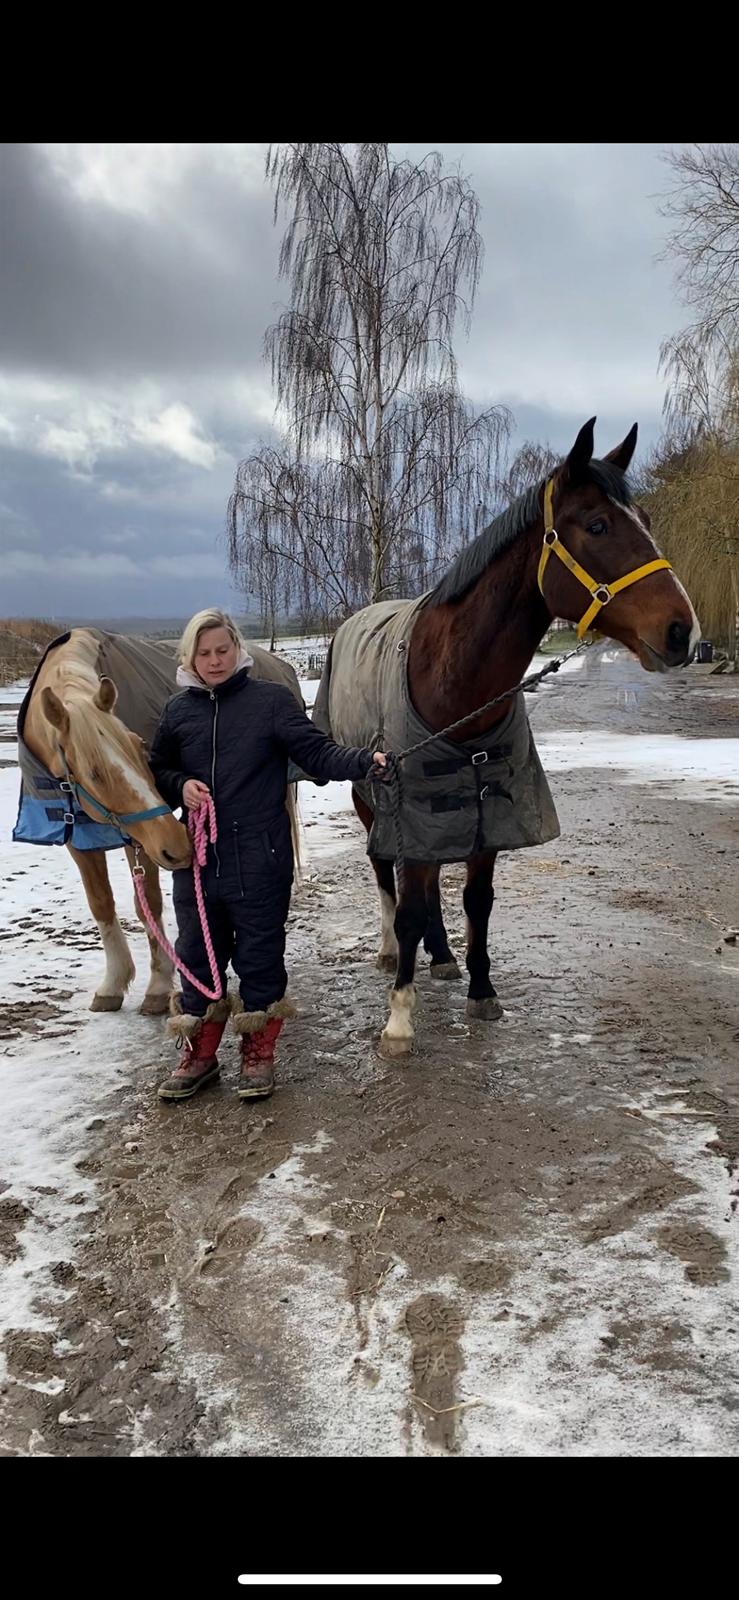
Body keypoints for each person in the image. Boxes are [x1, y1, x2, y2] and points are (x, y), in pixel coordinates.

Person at [149, 609, 387, 1103]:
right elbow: (157, 772)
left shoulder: (271, 702)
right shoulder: (177, 713)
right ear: (189, 656)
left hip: (260, 854)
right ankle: (200, 1054)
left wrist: (365, 760)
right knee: (198, 953)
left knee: (259, 955)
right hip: (198, 858)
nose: (214, 661)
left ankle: (258, 1051)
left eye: (222, 650)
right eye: (204, 652)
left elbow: (317, 753)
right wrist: (181, 784)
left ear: (237, 650)